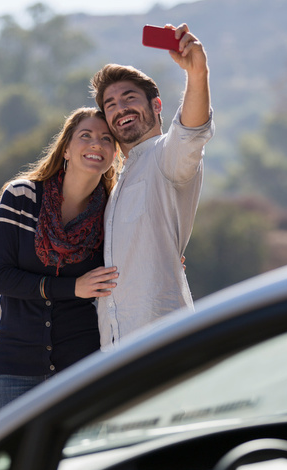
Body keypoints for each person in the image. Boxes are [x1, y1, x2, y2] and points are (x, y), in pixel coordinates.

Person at [90, 22, 215, 348]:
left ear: (156, 106)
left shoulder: (166, 157)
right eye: (111, 105)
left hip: (161, 345)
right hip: (114, 347)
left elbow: (191, 133)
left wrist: (198, 73)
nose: (120, 108)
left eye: (129, 97)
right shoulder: (119, 181)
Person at [0, 107, 120, 412]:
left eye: (106, 139)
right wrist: (73, 287)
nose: (96, 144)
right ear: (66, 149)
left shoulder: (112, 214)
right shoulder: (21, 197)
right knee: (21, 460)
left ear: (114, 153)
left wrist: (165, 255)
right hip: (15, 366)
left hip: (81, 367)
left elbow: (135, 258)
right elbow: (0, 277)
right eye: (85, 136)